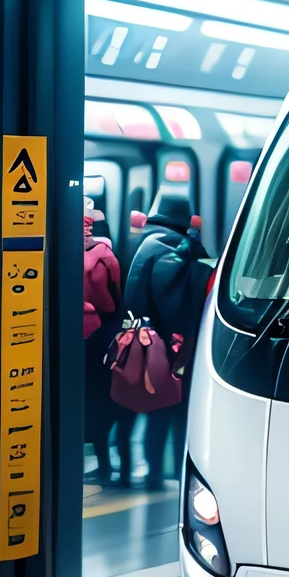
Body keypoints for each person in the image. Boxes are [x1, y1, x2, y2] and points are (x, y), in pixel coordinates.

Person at [120, 190, 209, 488]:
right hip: (169, 344)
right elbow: (179, 301)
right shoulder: (177, 248)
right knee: (173, 408)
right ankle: (171, 470)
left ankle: (145, 470)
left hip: (137, 339)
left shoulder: (140, 243)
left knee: (141, 406)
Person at [82, 200, 122, 483]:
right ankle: (107, 463)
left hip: (74, 335)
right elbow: (116, 297)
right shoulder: (106, 256)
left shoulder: (62, 251)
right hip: (102, 335)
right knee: (105, 398)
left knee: (82, 398)